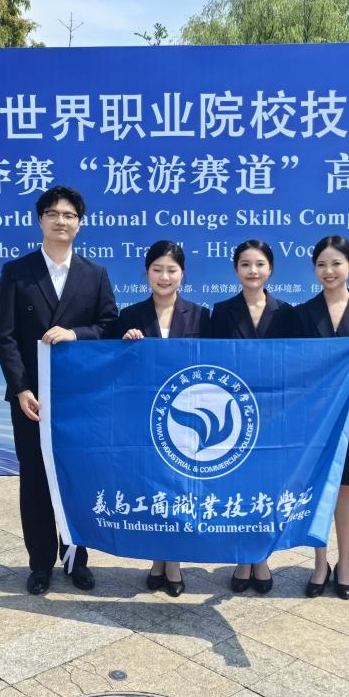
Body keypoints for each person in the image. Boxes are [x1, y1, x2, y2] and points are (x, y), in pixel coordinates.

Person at [0, 185, 118, 595]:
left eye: (69, 215)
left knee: (75, 478)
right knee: (35, 479)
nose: (60, 221)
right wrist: (20, 389)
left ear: (79, 223)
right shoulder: (18, 271)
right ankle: (40, 563)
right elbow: (6, 336)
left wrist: (76, 333)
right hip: (32, 399)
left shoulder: (94, 274)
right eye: (53, 214)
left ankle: (76, 558)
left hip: (80, 397)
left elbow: (109, 326)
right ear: (40, 220)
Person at [106, 240, 209, 597]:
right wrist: (126, 344)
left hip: (187, 419)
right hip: (145, 417)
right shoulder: (130, 316)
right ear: (147, 273)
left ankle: (173, 562)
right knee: (151, 487)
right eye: (157, 270)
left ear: (183, 274)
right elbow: (114, 367)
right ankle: (156, 558)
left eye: (171, 270)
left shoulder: (200, 315)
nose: (164, 277)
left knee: (179, 489)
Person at [293, 236, 349, 599]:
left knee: (344, 488)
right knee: (316, 489)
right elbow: (295, 368)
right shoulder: (301, 314)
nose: (328, 271)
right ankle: (320, 563)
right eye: (321, 265)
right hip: (314, 415)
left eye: (336, 264)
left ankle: (344, 564)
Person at [209, 239, 296, 594]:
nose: (253, 270)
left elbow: (298, 362)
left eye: (259, 264)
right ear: (235, 270)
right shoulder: (221, 311)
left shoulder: (287, 313)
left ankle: (261, 557)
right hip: (235, 414)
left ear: (270, 269)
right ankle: (242, 557)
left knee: (268, 486)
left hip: (274, 414)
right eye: (245, 264)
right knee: (238, 486)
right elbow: (211, 363)